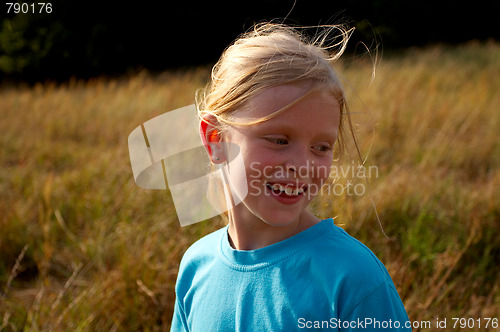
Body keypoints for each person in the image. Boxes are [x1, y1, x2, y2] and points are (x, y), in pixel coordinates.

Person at [170, 22, 410, 331]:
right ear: (216, 140)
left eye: (321, 147)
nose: (303, 165)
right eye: (279, 140)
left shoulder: (353, 279)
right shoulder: (195, 268)